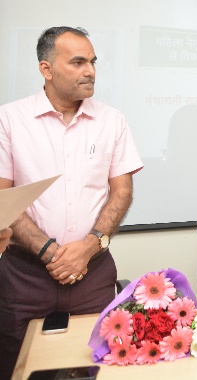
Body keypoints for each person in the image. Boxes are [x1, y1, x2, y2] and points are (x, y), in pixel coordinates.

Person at [0, 27, 143, 379]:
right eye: (78, 62)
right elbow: (3, 198)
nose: (90, 71)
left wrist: (88, 247)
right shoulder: (9, 119)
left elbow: (121, 192)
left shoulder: (111, 120)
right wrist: (49, 252)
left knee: (98, 367)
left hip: (92, 273)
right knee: (17, 366)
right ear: (46, 69)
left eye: (92, 62)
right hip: (24, 277)